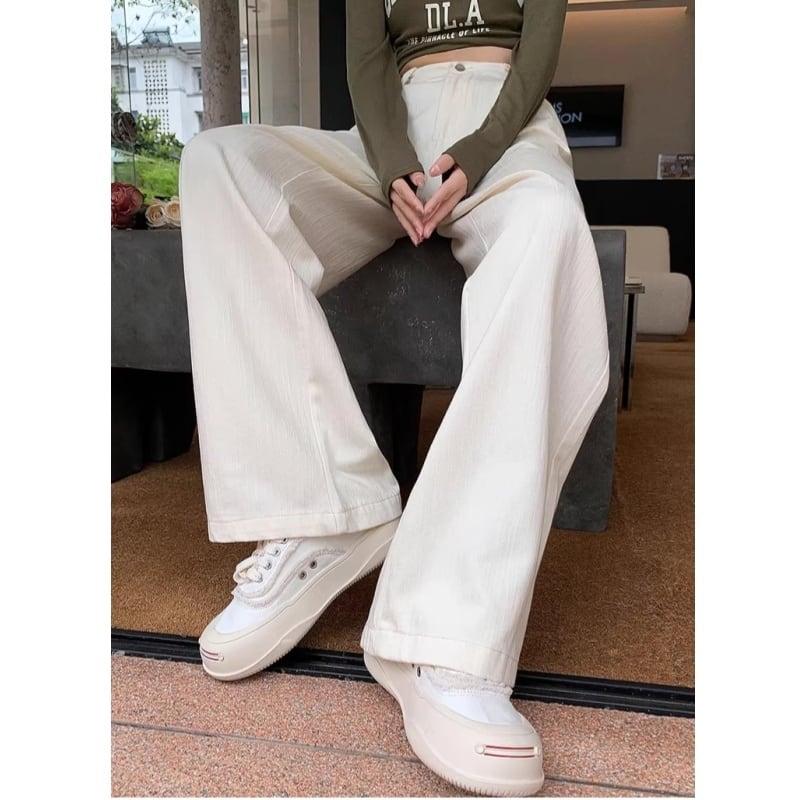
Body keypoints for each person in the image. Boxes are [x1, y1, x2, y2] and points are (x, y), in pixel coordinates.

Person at [179, 0, 609, 795]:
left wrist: (480, 149)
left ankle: (445, 629)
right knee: (219, 162)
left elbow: (541, 42)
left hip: (508, 123)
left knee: (549, 223)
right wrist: (390, 162)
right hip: (392, 129)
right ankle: (324, 514)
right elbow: (368, 54)